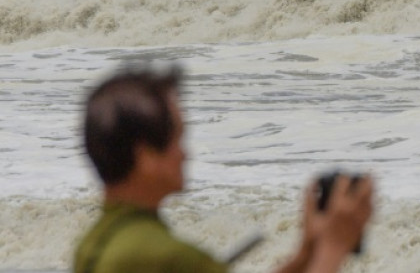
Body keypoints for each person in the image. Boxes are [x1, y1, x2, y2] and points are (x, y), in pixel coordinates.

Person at [73, 65, 373, 273]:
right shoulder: (165, 259)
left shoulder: (96, 244)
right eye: (177, 139)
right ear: (145, 157)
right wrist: (334, 247)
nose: (185, 154)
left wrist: (306, 254)